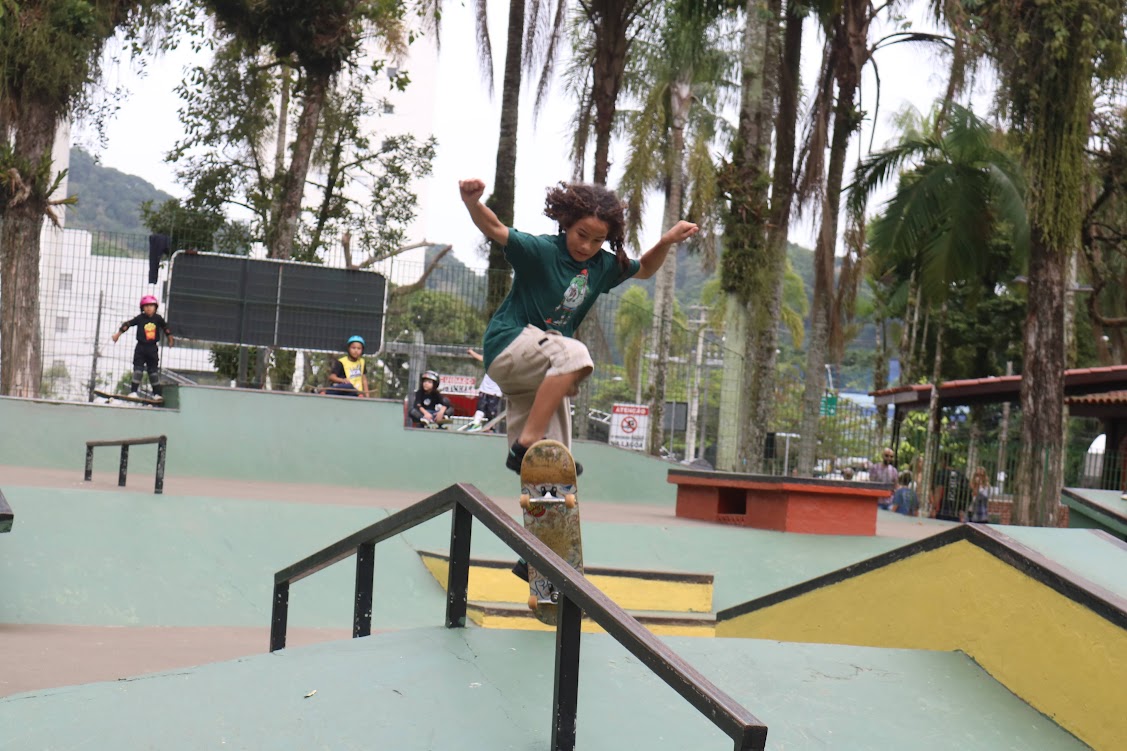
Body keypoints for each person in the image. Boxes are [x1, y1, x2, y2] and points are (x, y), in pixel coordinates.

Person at [459, 177, 698, 476]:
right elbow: (495, 228)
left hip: (535, 370)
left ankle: (537, 476)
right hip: (509, 343)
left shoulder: (603, 266)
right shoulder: (542, 250)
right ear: (567, 224)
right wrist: (473, 202)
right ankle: (527, 441)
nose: (587, 246)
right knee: (573, 354)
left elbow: (646, 269)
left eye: (597, 240)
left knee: (554, 462)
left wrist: (665, 241)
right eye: (581, 234)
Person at [111, 295, 173, 400]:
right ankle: (134, 392)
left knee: (153, 371)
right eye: (146, 306)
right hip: (141, 347)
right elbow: (128, 324)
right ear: (142, 308)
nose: (149, 308)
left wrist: (170, 338)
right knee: (138, 369)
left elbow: (165, 328)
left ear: (155, 307)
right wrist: (118, 334)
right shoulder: (140, 318)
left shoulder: (158, 318)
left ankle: (156, 394)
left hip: (152, 348)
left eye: (151, 306)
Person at [464, 348, 503, 432]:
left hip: (495, 392)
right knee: (480, 407)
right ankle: (476, 423)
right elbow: (481, 358)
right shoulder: (491, 360)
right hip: (484, 389)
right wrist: (472, 352)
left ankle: (491, 428)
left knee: (491, 411)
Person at [931, 453, 971, 521]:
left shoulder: (941, 473)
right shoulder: (960, 475)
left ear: (943, 461)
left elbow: (939, 491)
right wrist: (963, 509)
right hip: (956, 512)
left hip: (942, 511)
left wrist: (934, 508)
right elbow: (968, 492)